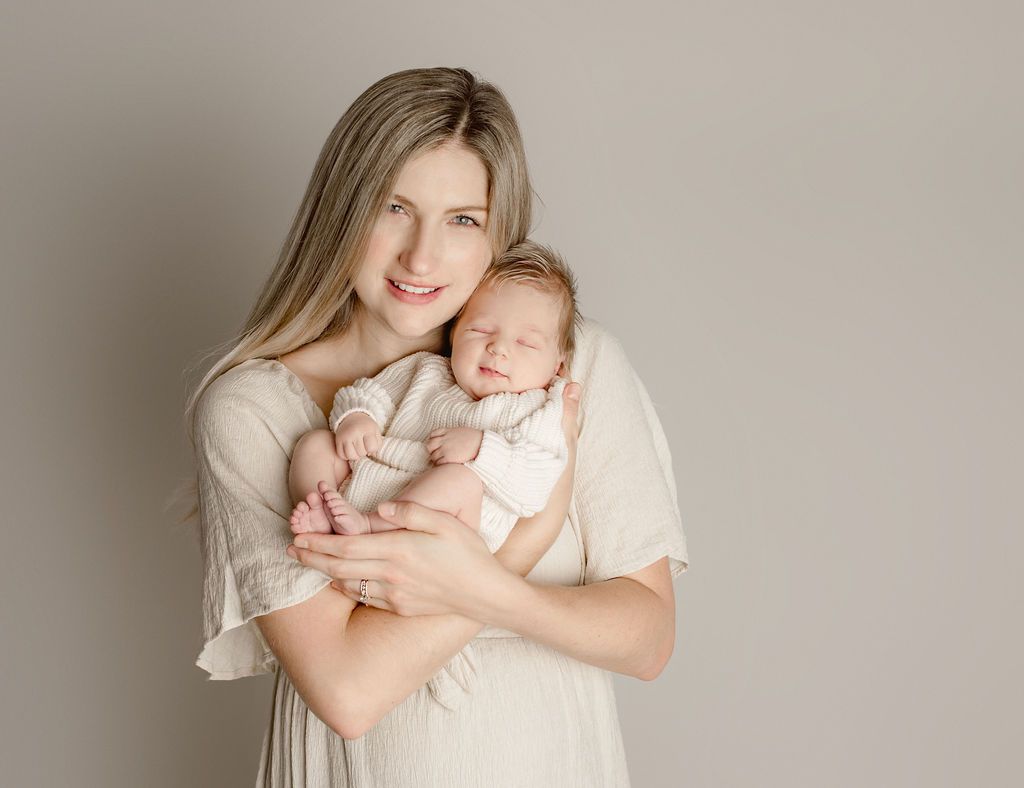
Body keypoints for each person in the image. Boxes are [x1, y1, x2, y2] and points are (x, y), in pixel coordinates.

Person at [188, 66, 688, 787]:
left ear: (498, 234)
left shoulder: (564, 368)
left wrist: (482, 587)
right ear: (343, 211)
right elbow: (348, 691)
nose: (422, 256)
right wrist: (524, 546)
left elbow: (648, 640)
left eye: (463, 220)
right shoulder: (254, 409)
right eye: (394, 208)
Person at [286, 243, 578, 560]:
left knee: (461, 480)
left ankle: (369, 528)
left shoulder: (539, 410)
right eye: (481, 330)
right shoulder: (427, 370)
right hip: (368, 485)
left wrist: (481, 448)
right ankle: (320, 510)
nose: (498, 349)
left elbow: (534, 486)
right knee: (316, 445)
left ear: (557, 364)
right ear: (455, 333)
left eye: (525, 343)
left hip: (445, 528)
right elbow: (369, 393)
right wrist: (357, 417)